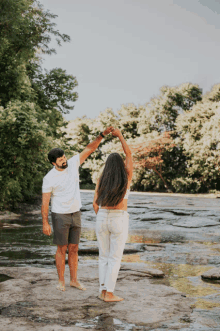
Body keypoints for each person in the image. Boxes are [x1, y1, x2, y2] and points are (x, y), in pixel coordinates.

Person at [41, 126, 114, 292]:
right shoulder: (49, 178)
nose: (64, 160)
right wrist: (45, 223)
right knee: (62, 248)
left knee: (74, 248)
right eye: (60, 160)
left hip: (76, 213)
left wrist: (102, 134)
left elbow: (90, 148)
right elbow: (45, 203)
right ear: (54, 163)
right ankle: (61, 281)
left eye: (64, 157)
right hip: (60, 215)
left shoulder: (73, 163)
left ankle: (74, 280)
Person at [93, 128, 133, 302]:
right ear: (120, 165)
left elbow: (95, 204)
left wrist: (102, 214)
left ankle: (103, 291)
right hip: (118, 218)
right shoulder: (126, 176)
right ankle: (109, 293)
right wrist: (120, 136)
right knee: (115, 258)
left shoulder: (101, 180)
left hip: (102, 217)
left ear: (107, 166)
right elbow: (129, 155)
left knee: (104, 256)